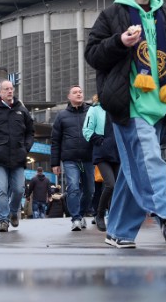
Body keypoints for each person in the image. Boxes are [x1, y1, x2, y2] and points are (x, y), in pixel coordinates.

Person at [85, 0, 166, 249]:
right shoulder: (112, 15)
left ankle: (118, 232)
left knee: (133, 171)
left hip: (160, 105)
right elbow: (93, 54)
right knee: (149, 163)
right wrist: (119, 42)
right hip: (130, 104)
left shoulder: (164, 14)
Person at [0, 79, 36, 233]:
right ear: (0, 92)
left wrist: (26, 148)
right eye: (6, 89)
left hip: (18, 157)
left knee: (18, 189)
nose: (10, 91)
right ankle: (3, 221)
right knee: (1, 190)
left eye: (11, 88)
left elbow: (30, 132)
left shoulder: (22, 110)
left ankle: (13, 212)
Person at [51, 85, 94, 231]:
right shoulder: (62, 116)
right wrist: (54, 163)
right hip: (70, 159)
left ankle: (81, 214)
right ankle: (75, 218)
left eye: (81, 92)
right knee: (74, 187)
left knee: (90, 190)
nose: (79, 94)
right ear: (69, 97)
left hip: (88, 157)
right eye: (75, 92)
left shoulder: (91, 111)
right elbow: (55, 141)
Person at [83, 95, 119, 231]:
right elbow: (86, 131)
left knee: (118, 188)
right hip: (102, 153)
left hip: (117, 153)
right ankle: (99, 215)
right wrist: (100, 141)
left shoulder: (117, 109)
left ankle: (114, 217)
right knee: (110, 184)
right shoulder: (94, 109)